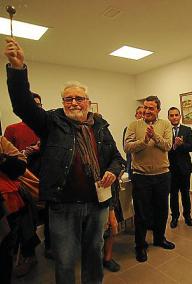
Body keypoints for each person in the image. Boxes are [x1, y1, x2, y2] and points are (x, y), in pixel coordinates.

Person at [4, 38, 124, 284]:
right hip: (63, 204)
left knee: (93, 254)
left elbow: (117, 158)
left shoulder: (100, 126)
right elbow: (23, 106)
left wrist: (112, 170)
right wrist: (17, 69)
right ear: (62, 103)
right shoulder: (52, 122)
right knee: (66, 259)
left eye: (79, 98)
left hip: (97, 203)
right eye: (68, 99)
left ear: (87, 102)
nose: (73, 103)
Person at [124, 95, 175, 263]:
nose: (146, 111)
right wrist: (144, 140)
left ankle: (159, 239)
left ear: (158, 110)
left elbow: (168, 145)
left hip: (162, 175)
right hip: (141, 177)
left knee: (161, 210)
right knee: (142, 214)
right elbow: (127, 147)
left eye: (151, 108)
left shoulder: (166, 124)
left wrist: (155, 136)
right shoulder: (133, 125)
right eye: (145, 107)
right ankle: (140, 246)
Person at [3, 92, 44, 276]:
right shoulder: (12, 129)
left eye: (38, 104)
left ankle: (49, 247)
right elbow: (16, 157)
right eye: (31, 104)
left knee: (50, 213)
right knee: (27, 220)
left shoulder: (45, 128)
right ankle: (28, 254)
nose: (35, 107)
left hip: (45, 176)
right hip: (24, 179)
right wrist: (28, 151)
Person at [0, 136, 27, 284]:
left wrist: (3, 159)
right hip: (7, 198)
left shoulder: (0, 141)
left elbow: (21, 165)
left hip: (6, 202)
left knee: (5, 249)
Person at [167, 107, 192, 228]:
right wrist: (174, 146)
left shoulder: (187, 129)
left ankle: (187, 216)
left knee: (185, 193)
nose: (174, 117)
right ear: (168, 117)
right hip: (170, 168)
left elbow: (191, 148)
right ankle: (174, 217)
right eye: (171, 115)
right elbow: (164, 149)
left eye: (176, 115)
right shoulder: (165, 131)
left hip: (184, 168)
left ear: (180, 116)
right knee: (173, 195)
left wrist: (181, 144)